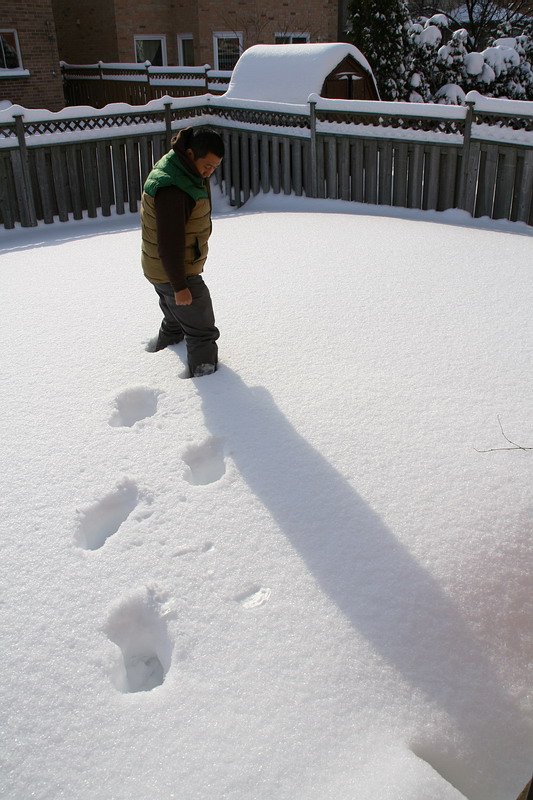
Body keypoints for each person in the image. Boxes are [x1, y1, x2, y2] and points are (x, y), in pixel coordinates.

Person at [140, 126, 224, 377]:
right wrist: (180, 286)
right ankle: (209, 382)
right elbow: (169, 243)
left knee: (176, 320)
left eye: (214, 168)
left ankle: (161, 354)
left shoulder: (177, 167)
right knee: (201, 331)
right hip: (175, 271)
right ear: (190, 153)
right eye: (207, 166)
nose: (209, 172)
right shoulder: (174, 188)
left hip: (158, 268)